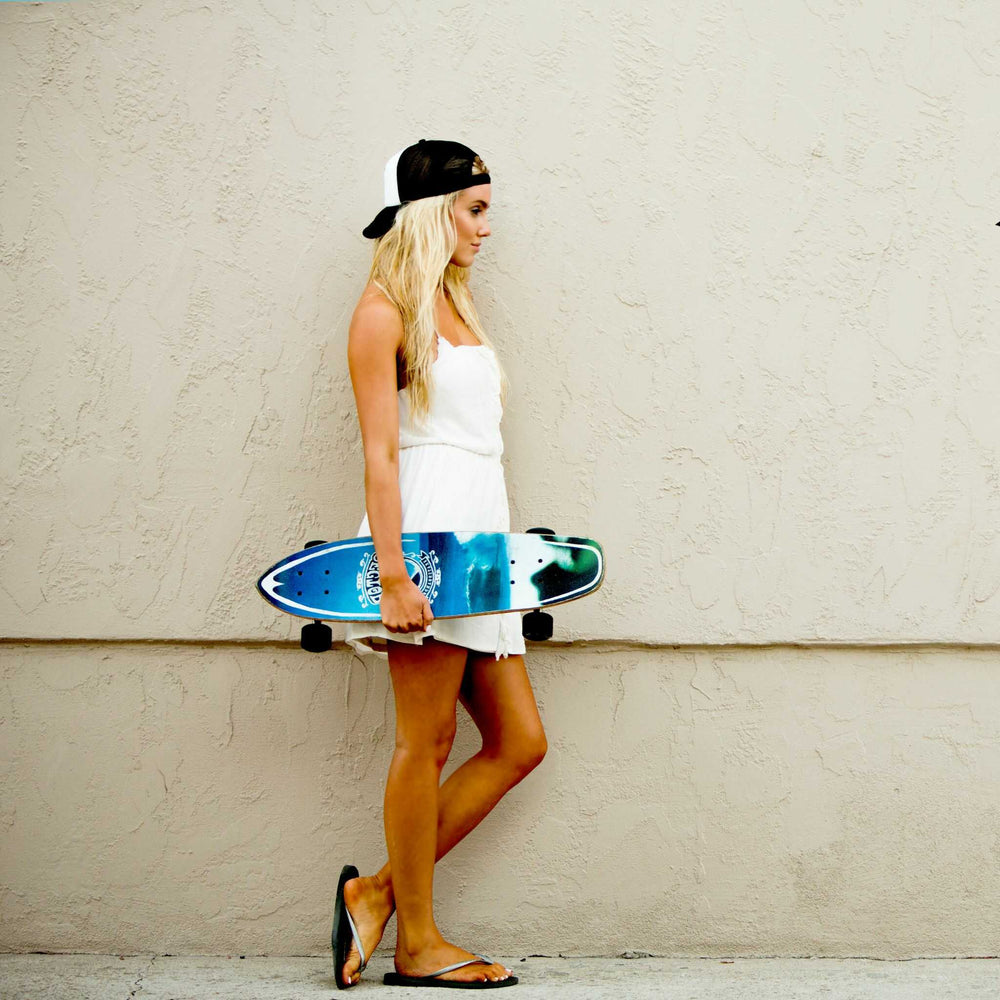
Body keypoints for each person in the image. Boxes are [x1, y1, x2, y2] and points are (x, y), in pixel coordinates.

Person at [332, 140, 547, 990]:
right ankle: (416, 941)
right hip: (424, 542)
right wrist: (391, 573)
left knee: (520, 741)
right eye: (476, 209)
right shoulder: (382, 311)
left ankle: (379, 892)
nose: (487, 227)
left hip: (483, 545)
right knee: (425, 741)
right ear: (432, 212)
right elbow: (382, 456)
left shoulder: (453, 303)